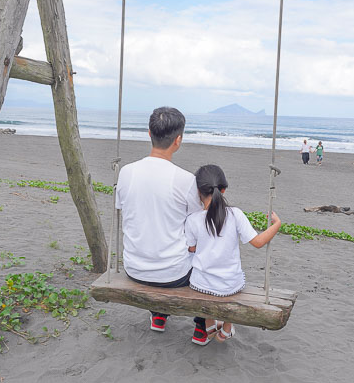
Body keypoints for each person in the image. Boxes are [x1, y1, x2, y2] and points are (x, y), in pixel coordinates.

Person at [115, 106, 208, 344]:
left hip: (134, 268)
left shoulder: (126, 172)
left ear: (149, 133)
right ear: (178, 140)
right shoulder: (186, 180)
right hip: (173, 274)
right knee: (207, 257)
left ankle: (158, 316)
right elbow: (198, 222)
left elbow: (123, 208)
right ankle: (201, 326)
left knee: (155, 234)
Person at [186, 164, 282, 344]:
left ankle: (210, 324)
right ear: (223, 189)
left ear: (198, 191)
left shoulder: (193, 220)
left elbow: (191, 249)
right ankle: (227, 327)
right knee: (230, 284)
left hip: (200, 284)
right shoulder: (235, 214)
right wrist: (276, 224)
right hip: (230, 285)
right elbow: (258, 242)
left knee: (203, 278)